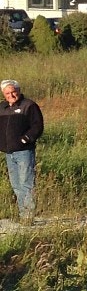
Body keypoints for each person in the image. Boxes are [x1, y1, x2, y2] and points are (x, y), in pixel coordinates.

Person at [0, 78, 44, 221]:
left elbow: (38, 126)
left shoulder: (29, 105)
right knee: (16, 185)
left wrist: (26, 139)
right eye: (7, 93)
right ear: (3, 94)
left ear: (18, 91)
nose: (11, 95)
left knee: (26, 183)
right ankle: (22, 214)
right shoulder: (2, 108)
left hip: (24, 151)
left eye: (13, 92)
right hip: (9, 152)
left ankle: (28, 216)